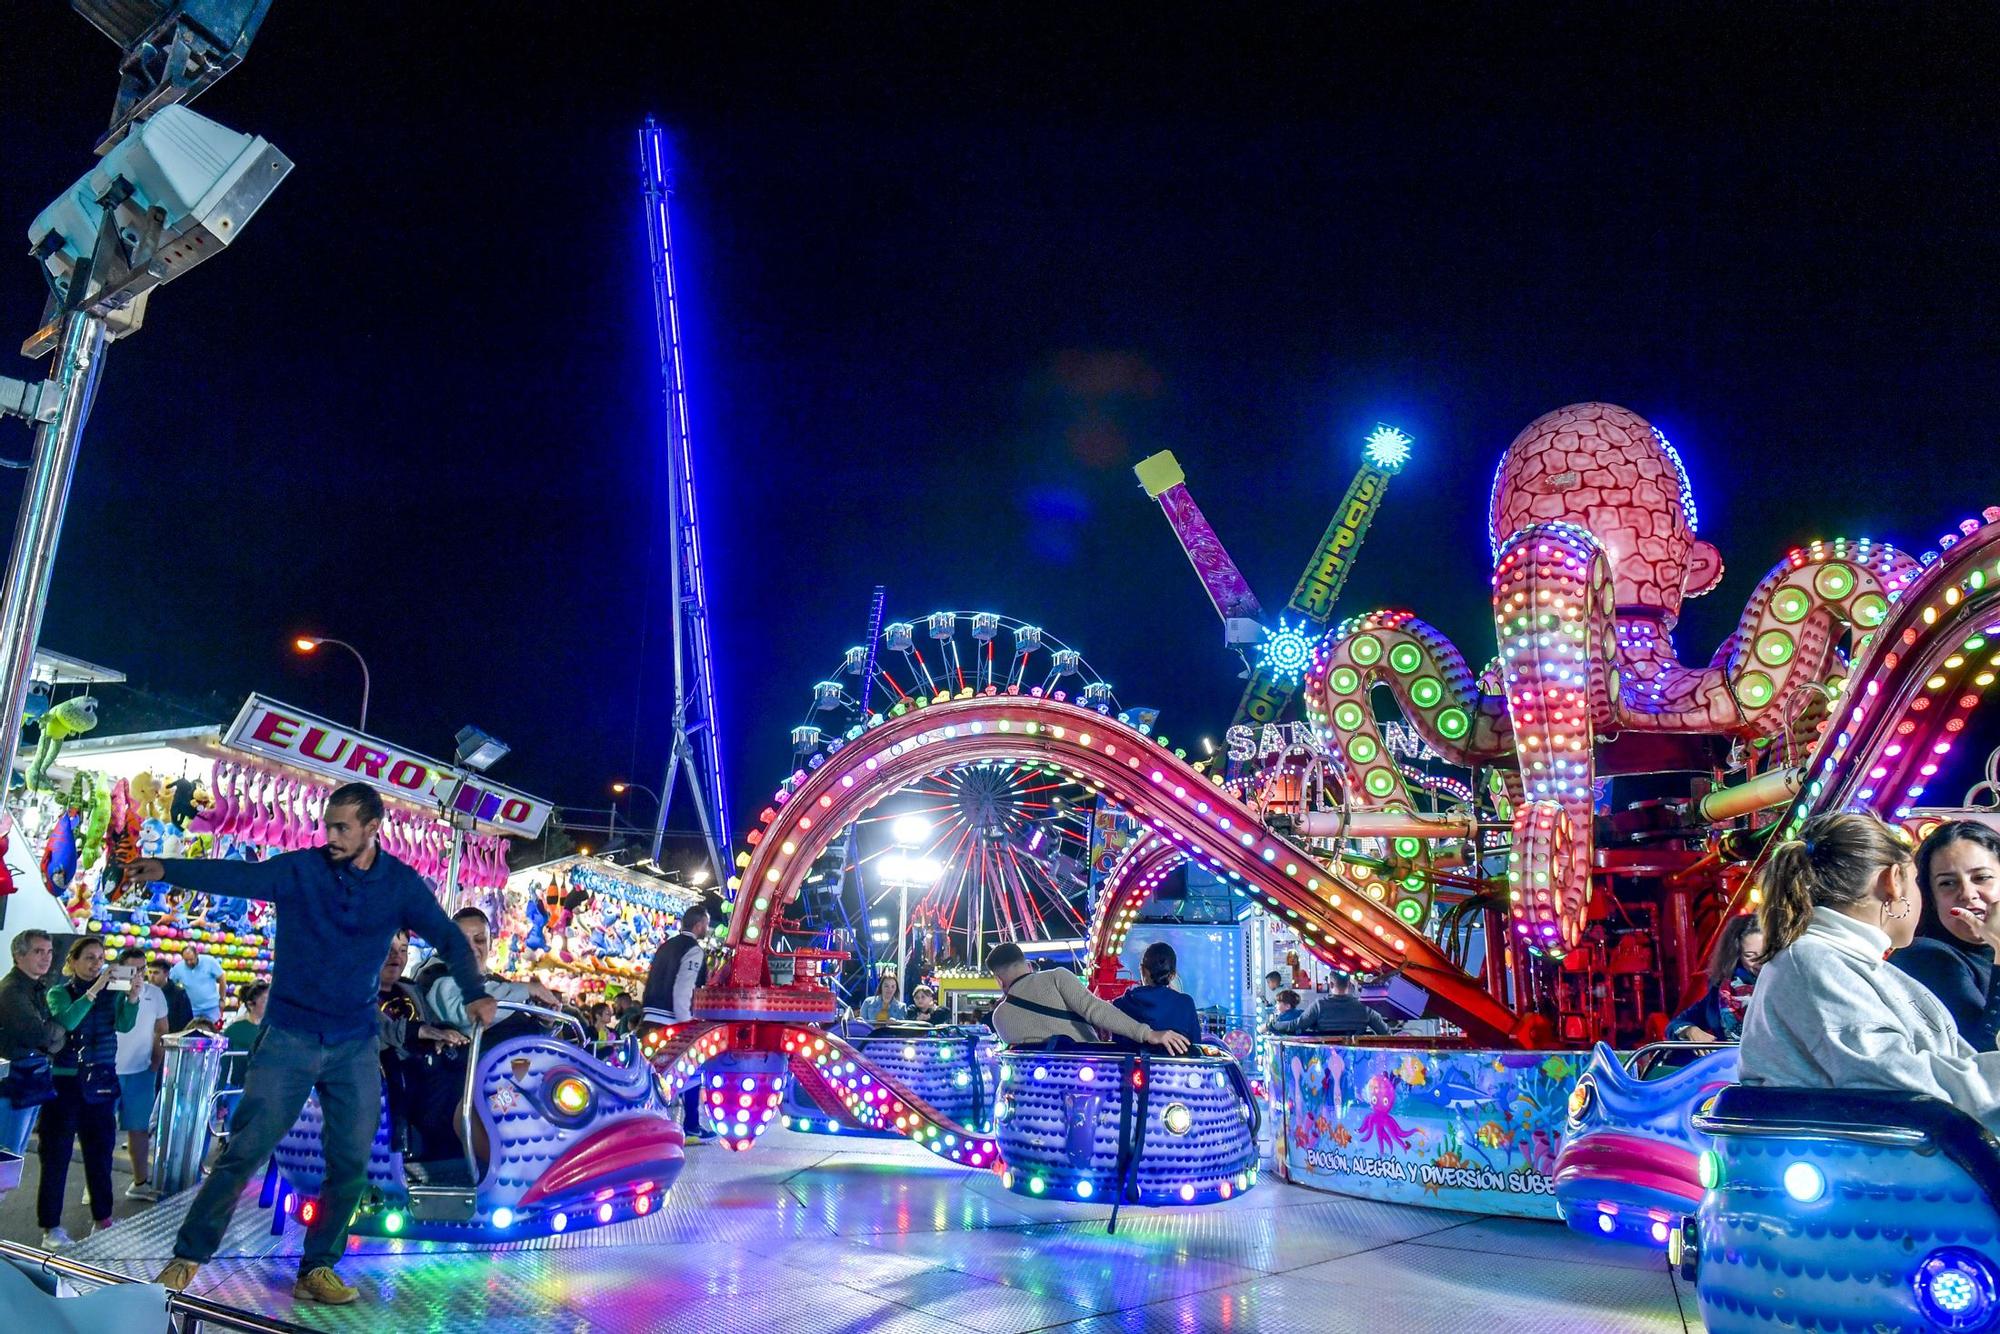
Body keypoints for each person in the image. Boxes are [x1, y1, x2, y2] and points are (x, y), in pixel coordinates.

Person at [123, 781, 493, 1305]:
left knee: (350, 1160)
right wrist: (168, 868)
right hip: (289, 1038)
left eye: (343, 827)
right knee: (244, 1150)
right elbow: (241, 876)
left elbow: (449, 936)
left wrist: (476, 994)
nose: (332, 836)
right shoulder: (303, 869)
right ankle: (187, 1257)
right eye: (328, 825)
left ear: (372, 829)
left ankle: (317, 1267)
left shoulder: (400, 885)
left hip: (354, 1043)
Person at [1739, 810, 2000, 1133]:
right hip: (1889, 1173)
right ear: (1893, 881)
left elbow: (1960, 1065)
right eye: (1920, 882)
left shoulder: (1852, 964)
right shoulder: (1813, 963)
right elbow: (1899, 1080)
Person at [39, 936, 140, 1247]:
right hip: (65, 1082)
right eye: (90, 959)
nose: (97, 964)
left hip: (102, 1081)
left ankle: (103, 1218)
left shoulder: (114, 992)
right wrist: (95, 990)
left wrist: (133, 998)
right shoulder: (59, 992)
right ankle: (50, 1228)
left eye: (101, 958)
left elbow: (123, 1025)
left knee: (100, 1153)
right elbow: (67, 1021)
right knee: (56, 1155)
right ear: (73, 962)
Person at [1891, 820, 2000, 1052]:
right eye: (1947, 883)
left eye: (1981, 878)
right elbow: (1984, 1055)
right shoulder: (1923, 956)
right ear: (1931, 897)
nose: (1968, 894)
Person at [985, 943, 1190, 1054]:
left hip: (1040, 1097)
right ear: (1028, 964)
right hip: (1087, 1076)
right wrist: (1148, 1034)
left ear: (998, 979)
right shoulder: (1057, 977)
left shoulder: (1000, 1017)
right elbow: (1095, 1010)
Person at [419, 907, 560, 1038]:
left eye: (479, 940)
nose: (471, 949)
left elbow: (525, 1036)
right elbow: (468, 1010)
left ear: (490, 944)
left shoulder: (500, 984)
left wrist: (545, 1022)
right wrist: (526, 989)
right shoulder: (435, 976)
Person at [642, 905, 713, 1142]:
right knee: (690, 1071)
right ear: (699, 924)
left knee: (648, 1072)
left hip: (650, 1016)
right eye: (707, 923)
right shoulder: (693, 950)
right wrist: (688, 1024)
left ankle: (644, 1124)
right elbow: (683, 987)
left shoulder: (666, 946)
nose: (708, 928)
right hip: (671, 1020)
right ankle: (691, 1125)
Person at [0, 930, 64, 1160]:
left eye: (49, 952)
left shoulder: (34, 988)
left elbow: (47, 1036)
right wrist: (58, 1029)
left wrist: (53, 1033)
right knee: (6, 1159)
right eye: (38, 951)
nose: (46, 957)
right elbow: (38, 1035)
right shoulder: (12, 991)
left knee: (13, 1158)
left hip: (30, 1079)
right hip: (14, 1084)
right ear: (19, 956)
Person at [113, 945, 170, 1201]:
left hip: (141, 1071)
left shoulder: (155, 994)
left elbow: (162, 1030)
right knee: (101, 1131)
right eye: (132, 969)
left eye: (142, 968)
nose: (138, 974)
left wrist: (156, 1063)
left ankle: (140, 1182)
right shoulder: (108, 990)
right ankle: (93, 1185)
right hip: (106, 1071)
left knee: (138, 1129)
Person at [1669, 915, 1766, 1042]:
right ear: (1737, 955)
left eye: (1766, 953)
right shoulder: (1722, 991)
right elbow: (1676, 1024)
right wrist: (1690, 1030)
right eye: (1750, 956)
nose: (1761, 962)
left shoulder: (1787, 985)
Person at [1111, 942, 1204, 1053]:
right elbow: (1196, 1047)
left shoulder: (1121, 1004)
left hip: (1129, 1067)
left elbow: (1117, 1045)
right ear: (1173, 975)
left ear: (1142, 970)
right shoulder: (1186, 1004)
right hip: (1177, 1068)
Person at [1277, 973, 1390, 1037]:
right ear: (1350, 984)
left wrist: (1271, 1025)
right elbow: (1385, 1033)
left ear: (1330, 984)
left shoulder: (1319, 1006)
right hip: (1357, 1063)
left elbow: (1296, 1025)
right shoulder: (1364, 1007)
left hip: (1325, 1064)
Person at [169, 945, 227, 1025]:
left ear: (197, 955)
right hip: (191, 1009)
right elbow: (170, 983)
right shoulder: (178, 968)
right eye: (186, 960)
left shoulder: (209, 961)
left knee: (213, 1033)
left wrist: (222, 999)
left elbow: (222, 977)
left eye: (191, 959)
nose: (189, 962)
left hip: (211, 1007)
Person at [147, 958, 193, 1037]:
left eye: (156, 973)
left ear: (166, 974)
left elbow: (186, 1021)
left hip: (170, 1038)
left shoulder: (179, 994)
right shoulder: (145, 992)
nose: (151, 976)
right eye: (150, 972)